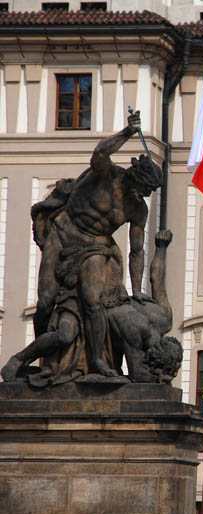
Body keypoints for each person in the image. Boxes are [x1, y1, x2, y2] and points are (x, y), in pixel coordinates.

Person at [31, 110, 162, 379]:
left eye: (149, 192)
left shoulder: (138, 209)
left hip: (95, 247)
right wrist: (127, 132)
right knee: (45, 301)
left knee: (93, 303)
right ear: (134, 176)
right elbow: (99, 154)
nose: (145, 195)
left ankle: (98, 362)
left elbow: (137, 250)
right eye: (144, 188)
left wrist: (137, 290)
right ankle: (44, 356)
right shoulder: (107, 175)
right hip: (64, 233)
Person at [2, 230, 179, 385]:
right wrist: (160, 380)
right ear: (151, 358)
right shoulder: (135, 331)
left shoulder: (164, 318)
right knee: (64, 335)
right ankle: (18, 359)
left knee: (66, 334)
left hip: (103, 301)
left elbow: (157, 278)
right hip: (84, 300)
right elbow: (139, 376)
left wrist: (161, 248)